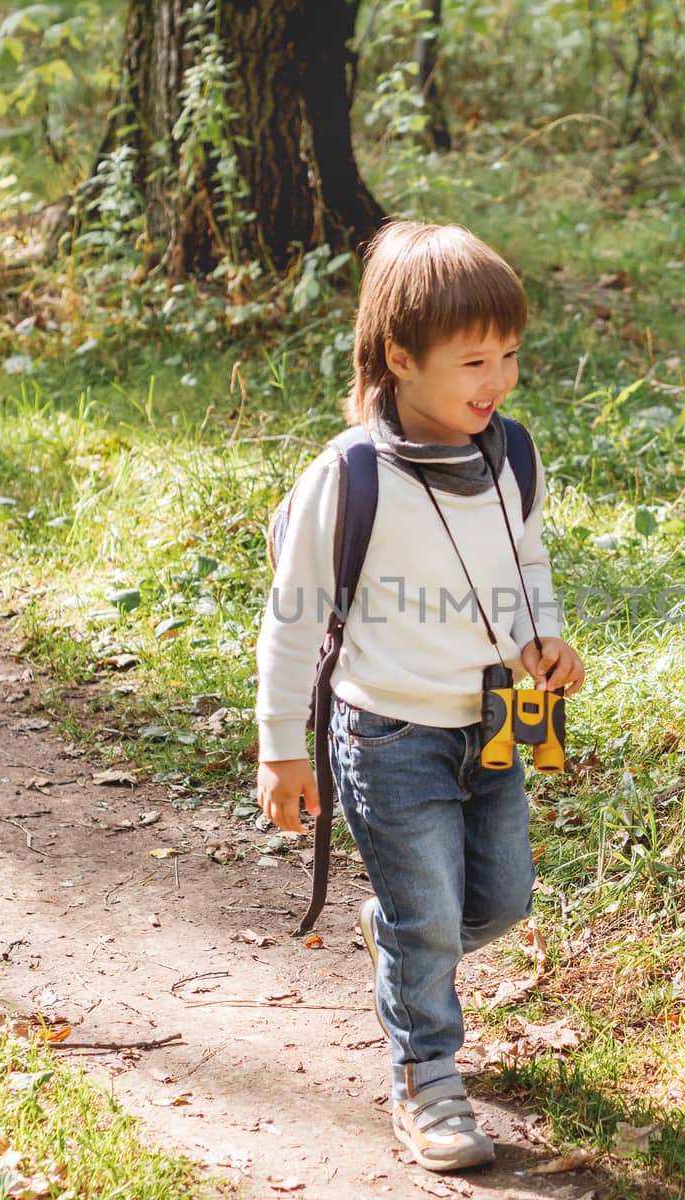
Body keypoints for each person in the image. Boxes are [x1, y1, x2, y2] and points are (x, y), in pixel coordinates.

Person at [255, 220, 586, 1172]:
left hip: (490, 724)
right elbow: (291, 621)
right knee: (431, 917)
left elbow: (524, 562)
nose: (497, 380)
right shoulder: (350, 476)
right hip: (389, 734)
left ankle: (401, 933)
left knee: (503, 900)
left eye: (511, 355)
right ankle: (428, 1079)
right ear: (400, 357)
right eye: (473, 360)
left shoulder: (508, 455)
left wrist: (540, 641)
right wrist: (282, 748)